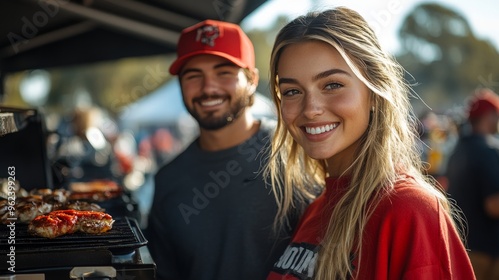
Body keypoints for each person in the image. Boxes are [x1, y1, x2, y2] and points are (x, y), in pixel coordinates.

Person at [264, 7, 475, 279]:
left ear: (374, 92)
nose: (311, 109)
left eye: (332, 85)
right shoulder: (318, 207)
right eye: (292, 91)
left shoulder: (411, 211)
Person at [146, 19, 305, 280]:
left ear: (252, 79)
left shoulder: (296, 152)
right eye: (194, 76)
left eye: (224, 72)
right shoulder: (168, 180)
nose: (208, 88)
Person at [446, 88, 499, 280]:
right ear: (489, 116)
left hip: (460, 246)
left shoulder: (458, 149)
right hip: (485, 252)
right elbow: (494, 206)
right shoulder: (488, 150)